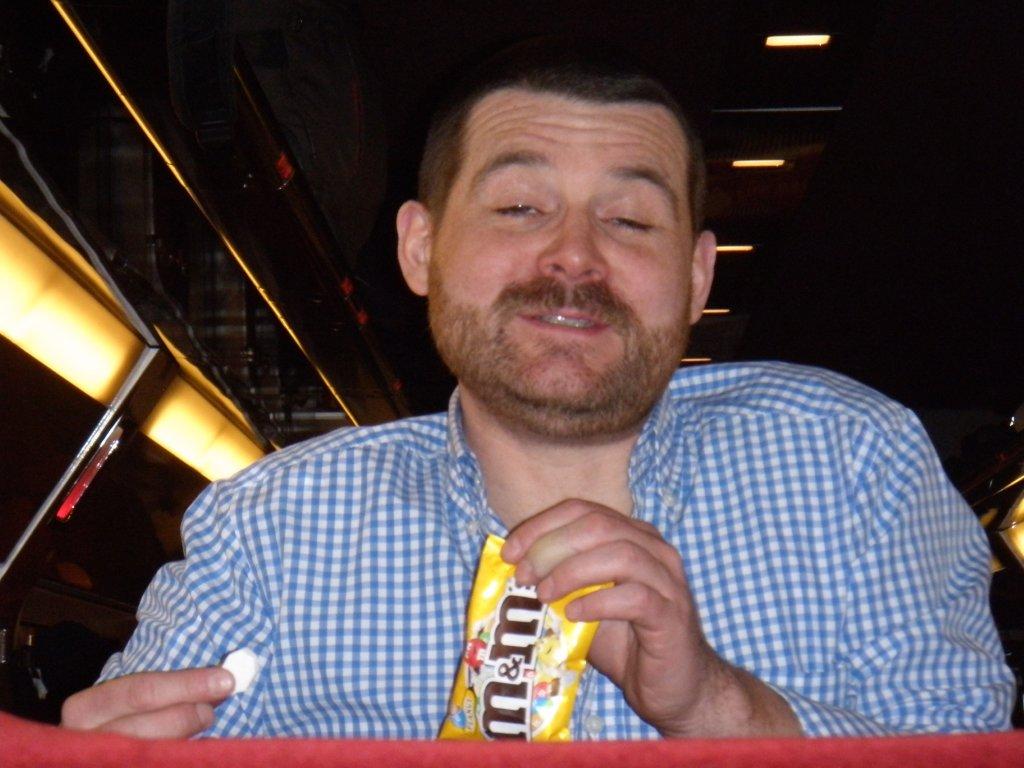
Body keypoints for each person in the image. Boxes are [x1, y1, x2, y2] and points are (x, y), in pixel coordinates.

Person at [60, 41, 1014, 740]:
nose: (573, 257)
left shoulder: (853, 461)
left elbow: (962, 742)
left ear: (696, 277)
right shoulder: (267, 532)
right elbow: (130, 740)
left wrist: (715, 706)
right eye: (520, 207)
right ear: (420, 249)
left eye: (630, 220)